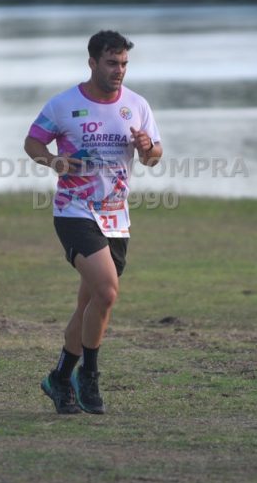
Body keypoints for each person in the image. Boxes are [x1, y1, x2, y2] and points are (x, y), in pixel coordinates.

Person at [25, 30, 162, 414]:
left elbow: (154, 156)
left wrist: (147, 149)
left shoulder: (136, 105)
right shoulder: (63, 104)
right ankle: (88, 375)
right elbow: (32, 142)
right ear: (92, 63)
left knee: (90, 304)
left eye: (124, 64)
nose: (119, 70)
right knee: (106, 291)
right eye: (111, 63)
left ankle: (59, 377)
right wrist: (54, 161)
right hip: (74, 212)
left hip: (116, 217)